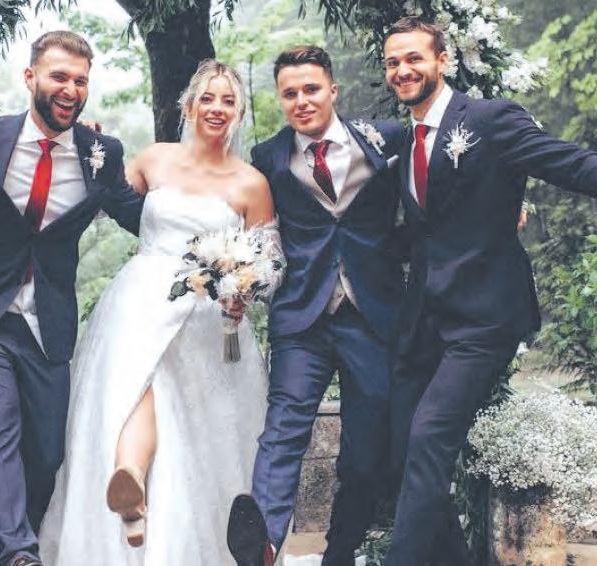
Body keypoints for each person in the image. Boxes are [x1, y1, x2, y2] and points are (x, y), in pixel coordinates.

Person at [380, 16, 597, 565]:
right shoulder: (407, 139)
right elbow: (427, 229)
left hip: (483, 316)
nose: (403, 70)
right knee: (403, 449)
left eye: (414, 58)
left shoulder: (488, 120)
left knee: (428, 438)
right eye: (393, 62)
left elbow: (563, 158)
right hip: (423, 318)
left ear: (442, 60)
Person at [37, 59, 276, 566]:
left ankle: (174, 529)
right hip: (140, 297)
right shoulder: (153, 159)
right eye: (207, 98)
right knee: (135, 387)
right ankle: (130, 483)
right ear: (188, 106)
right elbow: (98, 197)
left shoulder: (251, 183)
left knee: (194, 430)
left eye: (228, 101)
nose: (216, 108)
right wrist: (87, 146)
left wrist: (244, 290)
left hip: (208, 319)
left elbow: (269, 261)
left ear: (238, 112)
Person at [0, 31, 144, 566]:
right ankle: (18, 552)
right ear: (31, 78)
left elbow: (136, 214)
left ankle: (13, 546)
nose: (70, 89)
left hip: (47, 321)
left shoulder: (101, 154)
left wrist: (206, 239)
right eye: (59, 77)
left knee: (48, 451)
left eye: (80, 81)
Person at [225, 45, 408, 566]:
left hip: (372, 317)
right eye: (290, 93)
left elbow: (437, 180)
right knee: (283, 432)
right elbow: (250, 226)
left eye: (311, 89)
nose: (301, 100)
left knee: (365, 455)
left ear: (332, 90)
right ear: (280, 99)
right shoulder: (267, 158)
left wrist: (508, 204)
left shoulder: (387, 139)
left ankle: (341, 552)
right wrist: (236, 283)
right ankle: (262, 548)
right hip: (301, 318)